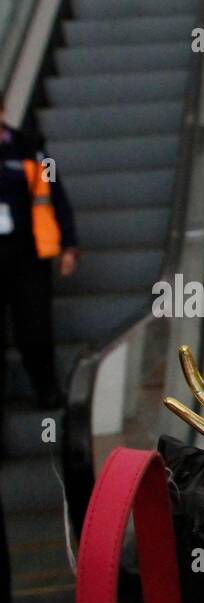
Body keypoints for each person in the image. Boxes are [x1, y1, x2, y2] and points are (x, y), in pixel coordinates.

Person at [0, 93, 78, 409]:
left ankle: (47, 391)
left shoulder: (31, 148)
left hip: (28, 253)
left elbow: (56, 195)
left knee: (34, 327)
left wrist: (68, 245)